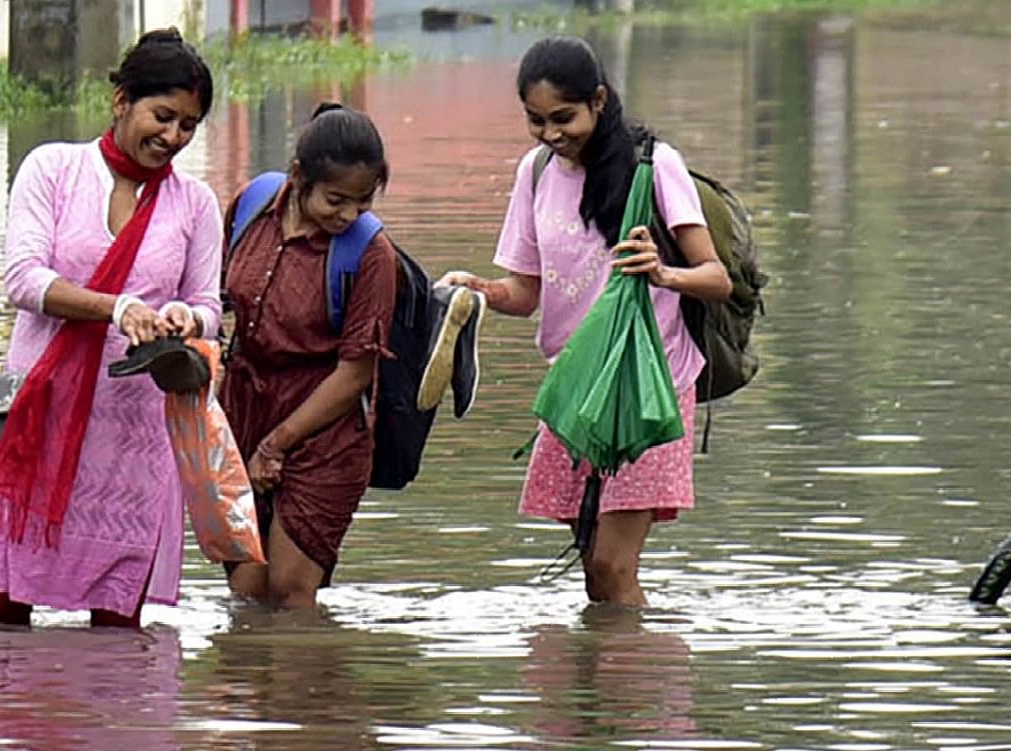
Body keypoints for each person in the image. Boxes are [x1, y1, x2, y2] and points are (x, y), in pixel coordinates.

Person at [440, 37, 732, 611]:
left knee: (610, 564)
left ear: (599, 100)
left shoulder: (655, 166)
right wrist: (479, 290)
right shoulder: (536, 172)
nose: (551, 134)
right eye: (536, 120)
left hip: (651, 386)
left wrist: (663, 275)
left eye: (564, 118)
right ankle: (605, 690)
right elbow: (525, 293)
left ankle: (644, 691)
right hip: (577, 389)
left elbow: (715, 278)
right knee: (593, 569)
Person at [0, 31, 223, 628]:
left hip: (134, 435)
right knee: (6, 616)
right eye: (162, 116)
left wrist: (185, 319)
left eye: (188, 126)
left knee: (118, 628)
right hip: (46, 416)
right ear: (120, 102)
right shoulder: (54, 170)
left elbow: (210, 306)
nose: (173, 138)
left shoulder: (195, 204)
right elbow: (23, 280)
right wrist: (117, 308)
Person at [217, 101, 400, 612]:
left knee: (292, 593)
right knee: (248, 592)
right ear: (298, 177)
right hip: (244, 415)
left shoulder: (370, 254)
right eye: (335, 199)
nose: (348, 215)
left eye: (362, 204)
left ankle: (302, 690)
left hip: (325, 433)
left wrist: (276, 446)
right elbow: (215, 300)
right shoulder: (251, 206)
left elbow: (356, 373)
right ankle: (254, 690)